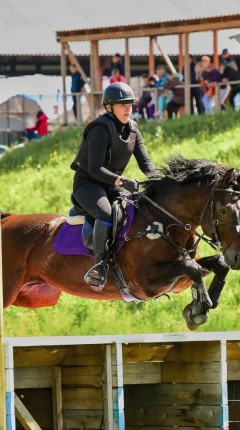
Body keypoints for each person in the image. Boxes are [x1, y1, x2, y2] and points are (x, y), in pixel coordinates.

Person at [69, 82, 157, 291]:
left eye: (130, 105)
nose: (128, 109)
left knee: (136, 207)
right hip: (88, 185)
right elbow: (95, 168)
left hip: (110, 186)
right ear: (109, 107)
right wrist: (120, 180)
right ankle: (100, 266)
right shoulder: (99, 128)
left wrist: (164, 180)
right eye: (122, 105)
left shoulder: (133, 129)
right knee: (107, 215)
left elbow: (146, 165)